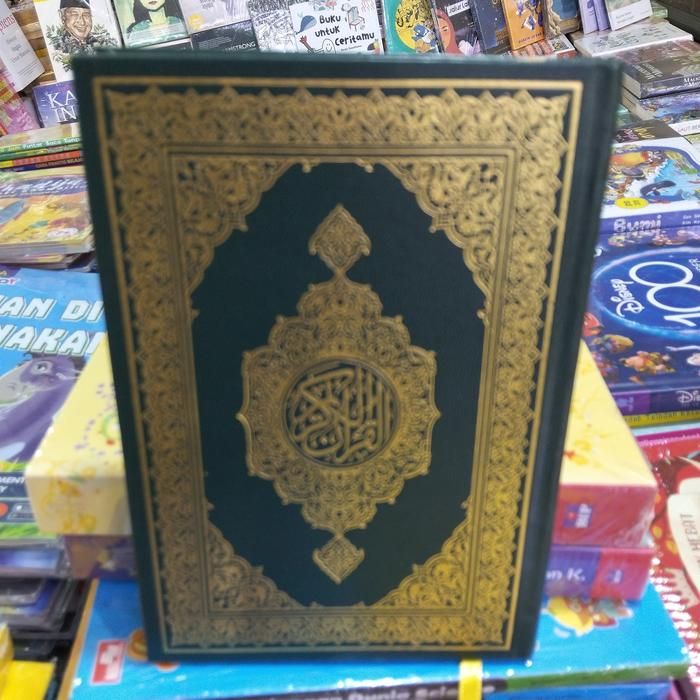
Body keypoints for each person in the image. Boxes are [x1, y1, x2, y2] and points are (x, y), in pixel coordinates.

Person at [48, 0, 118, 67]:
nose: (82, 22)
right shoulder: (59, 49)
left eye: (86, 14)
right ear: (62, 16)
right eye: (74, 14)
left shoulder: (102, 43)